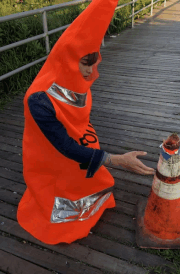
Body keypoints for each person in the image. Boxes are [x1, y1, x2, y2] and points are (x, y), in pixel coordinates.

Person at [17, 0, 155, 245]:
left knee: (92, 183)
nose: (91, 71)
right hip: (51, 156)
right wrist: (115, 160)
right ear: (68, 59)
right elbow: (63, 146)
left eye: (93, 62)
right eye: (85, 63)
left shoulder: (74, 81)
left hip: (79, 144)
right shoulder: (39, 99)